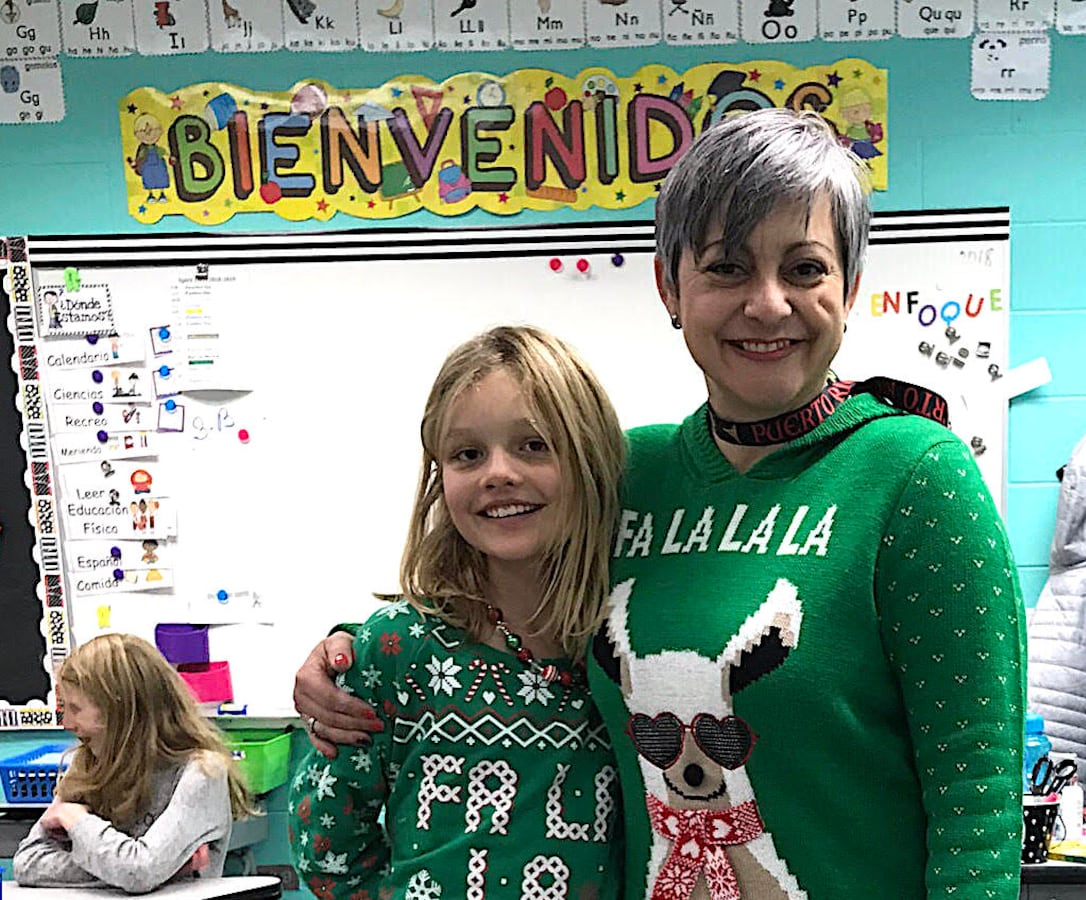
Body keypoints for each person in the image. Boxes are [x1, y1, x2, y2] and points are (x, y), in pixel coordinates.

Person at [295, 109, 1026, 899]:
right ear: (669, 285)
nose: (769, 303)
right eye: (727, 268)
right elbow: (503, 592)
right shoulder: (628, 472)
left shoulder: (917, 476)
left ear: (850, 288)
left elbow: (977, 802)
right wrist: (349, 652)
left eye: (806, 269)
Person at [289, 326, 626, 900]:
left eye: (535, 444)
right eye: (468, 454)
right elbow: (328, 846)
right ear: (439, 476)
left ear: (590, 458)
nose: (498, 473)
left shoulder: (627, 638)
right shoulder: (398, 649)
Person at [13, 634, 255, 892]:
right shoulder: (89, 763)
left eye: (76, 708)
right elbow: (28, 862)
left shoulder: (202, 773)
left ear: (122, 710)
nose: (68, 724)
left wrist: (75, 819)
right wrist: (158, 871)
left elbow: (139, 871)